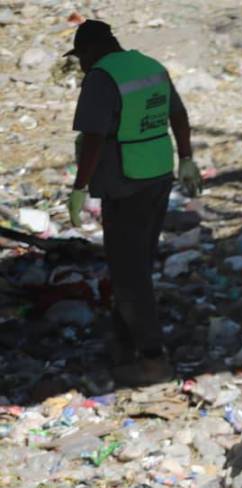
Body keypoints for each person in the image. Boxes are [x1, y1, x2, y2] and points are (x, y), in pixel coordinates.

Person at [65, 20, 203, 386]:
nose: (82, 64)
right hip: (158, 175)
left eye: (81, 57)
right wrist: (186, 158)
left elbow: (93, 138)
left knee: (128, 275)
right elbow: (177, 113)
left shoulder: (101, 77)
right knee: (137, 263)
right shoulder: (149, 66)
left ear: (93, 50)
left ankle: (153, 359)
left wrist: (79, 186)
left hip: (124, 184)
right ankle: (123, 344)